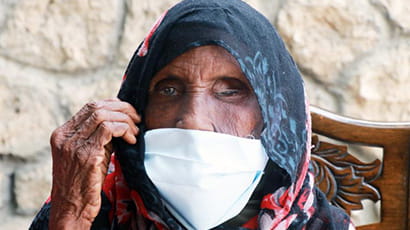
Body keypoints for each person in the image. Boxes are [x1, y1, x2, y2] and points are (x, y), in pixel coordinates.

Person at [30, 0, 354, 229]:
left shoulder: (318, 226)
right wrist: (70, 212)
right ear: (138, 104)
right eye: (169, 90)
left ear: (276, 117)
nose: (194, 119)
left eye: (230, 91)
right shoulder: (94, 210)